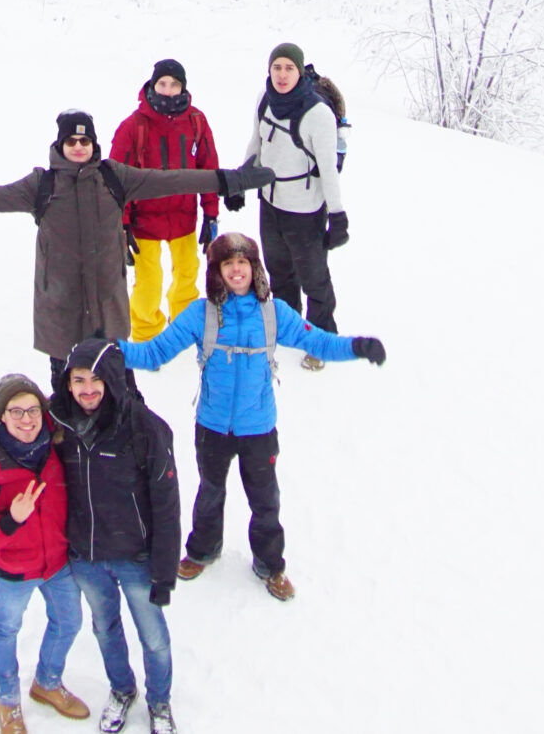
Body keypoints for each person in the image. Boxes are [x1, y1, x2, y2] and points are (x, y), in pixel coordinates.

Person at [0, 112, 275, 396]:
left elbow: (174, 179)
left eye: (85, 141)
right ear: (61, 144)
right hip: (61, 306)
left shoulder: (114, 177)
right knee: (67, 390)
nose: (79, 147)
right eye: (72, 141)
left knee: (119, 385)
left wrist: (231, 180)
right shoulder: (42, 185)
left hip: (107, 303)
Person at [119, 231, 386, 602]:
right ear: (217, 272)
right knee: (209, 493)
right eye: (228, 263)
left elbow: (318, 341)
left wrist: (357, 347)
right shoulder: (201, 313)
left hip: (258, 426)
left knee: (265, 500)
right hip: (212, 425)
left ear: (254, 268)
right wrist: (112, 351)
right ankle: (202, 551)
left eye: (242, 262)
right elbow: (154, 353)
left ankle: (270, 564)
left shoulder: (274, 313)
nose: (236, 269)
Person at [50, 338, 181, 734]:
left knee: (153, 636)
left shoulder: (143, 427)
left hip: (135, 556)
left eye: (95, 380)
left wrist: (164, 571)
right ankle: (122, 690)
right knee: (105, 629)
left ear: (109, 380)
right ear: (67, 383)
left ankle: (159, 702)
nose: (87, 389)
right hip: (87, 557)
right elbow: (9, 429)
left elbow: (166, 501)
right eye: (78, 380)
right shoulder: (56, 423)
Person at [0, 375, 86, 732]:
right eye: (16, 411)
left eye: (33, 410)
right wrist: (11, 521)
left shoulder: (58, 446)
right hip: (12, 571)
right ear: (1, 417)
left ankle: (47, 683)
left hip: (57, 562)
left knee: (69, 621)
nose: (27, 419)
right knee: (5, 629)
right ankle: (7, 700)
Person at [241, 42, 348, 367]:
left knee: (314, 277)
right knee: (279, 271)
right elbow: (256, 141)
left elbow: (328, 169)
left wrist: (339, 216)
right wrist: (241, 180)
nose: (282, 75)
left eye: (289, 68)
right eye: (277, 67)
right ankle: (288, 326)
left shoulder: (318, 114)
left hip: (305, 209)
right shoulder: (264, 99)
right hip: (270, 203)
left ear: (299, 71)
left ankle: (321, 340)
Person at [108, 59, 220, 344]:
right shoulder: (133, 126)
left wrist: (211, 214)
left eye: (174, 85)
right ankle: (147, 334)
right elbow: (116, 179)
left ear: (183, 87)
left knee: (187, 275)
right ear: (152, 85)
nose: (168, 91)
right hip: (143, 220)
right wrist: (121, 224)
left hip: (183, 217)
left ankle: (183, 327)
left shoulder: (196, 121)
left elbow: (209, 169)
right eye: (162, 84)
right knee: (149, 282)